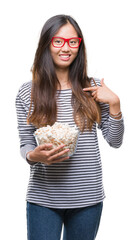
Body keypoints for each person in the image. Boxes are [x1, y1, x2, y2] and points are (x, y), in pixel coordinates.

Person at [15, 14, 124, 240]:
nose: (66, 48)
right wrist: (33, 156)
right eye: (59, 41)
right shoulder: (28, 91)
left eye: (73, 42)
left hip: (88, 198)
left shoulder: (92, 88)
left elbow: (115, 141)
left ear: (79, 46)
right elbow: (25, 142)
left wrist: (115, 104)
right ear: (47, 44)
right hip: (43, 198)